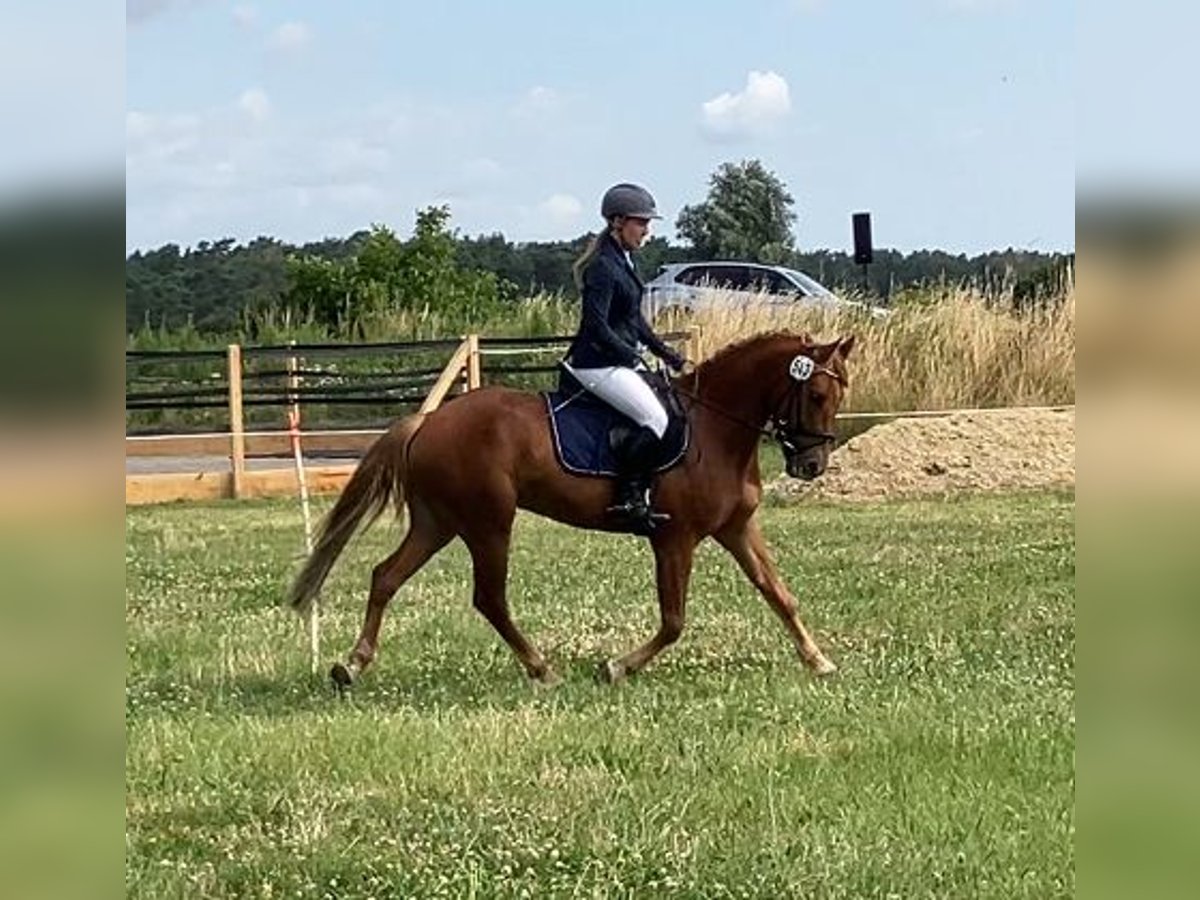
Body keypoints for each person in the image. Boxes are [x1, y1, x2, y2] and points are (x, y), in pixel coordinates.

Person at [564, 182, 686, 535]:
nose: (646, 231)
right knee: (654, 419)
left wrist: (667, 354)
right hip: (595, 364)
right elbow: (595, 324)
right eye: (640, 223)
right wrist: (630, 354)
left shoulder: (625, 260)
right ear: (618, 222)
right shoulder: (603, 266)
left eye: (647, 224)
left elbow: (634, 320)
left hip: (615, 361)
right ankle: (630, 500)